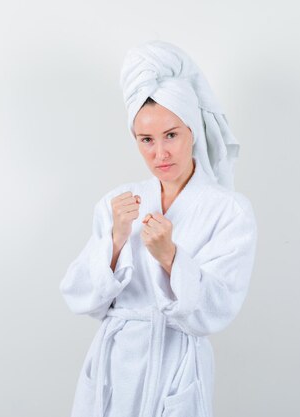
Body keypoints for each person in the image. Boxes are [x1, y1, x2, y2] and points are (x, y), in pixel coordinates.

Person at [59, 40, 258, 417]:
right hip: (112, 365)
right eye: (146, 140)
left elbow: (218, 308)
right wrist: (116, 240)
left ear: (193, 130)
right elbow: (79, 296)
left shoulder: (230, 210)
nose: (160, 154)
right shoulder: (118, 202)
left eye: (172, 135)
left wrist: (170, 257)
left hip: (176, 365)